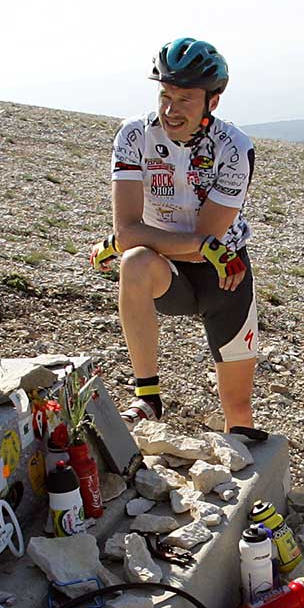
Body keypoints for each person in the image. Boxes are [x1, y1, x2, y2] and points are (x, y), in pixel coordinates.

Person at [92, 39, 259, 432]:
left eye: (185, 99)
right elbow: (130, 229)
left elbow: (206, 242)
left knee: (238, 410)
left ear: (211, 103)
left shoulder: (234, 147)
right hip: (167, 272)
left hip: (225, 277)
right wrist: (128, 241)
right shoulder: (134, 136)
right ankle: (148, 396)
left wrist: (122, 242)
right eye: (165, 95)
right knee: (133, 263)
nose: (170, 109)